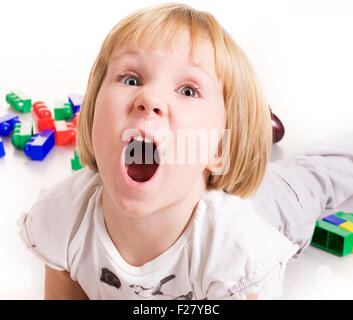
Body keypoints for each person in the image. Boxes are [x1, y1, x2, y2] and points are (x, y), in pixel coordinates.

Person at [18, 3, 353, 300]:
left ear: (220, 148)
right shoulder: (62, 218)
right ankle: (253, 124)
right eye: (131, 80)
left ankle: (254, 129)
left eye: (188, 90)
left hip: (269, 205)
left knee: (318, 178)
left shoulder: (238, 251)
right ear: (91, 115)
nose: (148, 98)